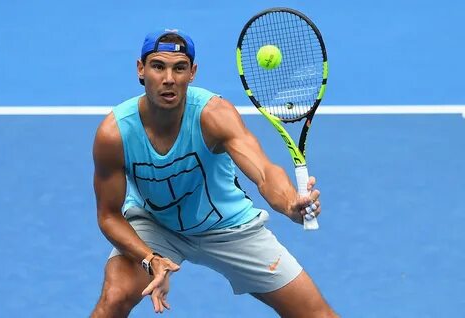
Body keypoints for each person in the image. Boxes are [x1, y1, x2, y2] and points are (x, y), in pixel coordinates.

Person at [90, 28, 337, 318]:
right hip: (155, 224)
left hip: (227, 226)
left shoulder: (214, 115)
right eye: (158, 66)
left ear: (192, 73)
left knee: (316, 315)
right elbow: (109, 215)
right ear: (141, 69)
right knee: (114, 298)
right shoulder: (114, 134)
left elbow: (264, 172)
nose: (169, 79)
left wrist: (289, 204)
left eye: (179, 68)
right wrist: (149, 259)